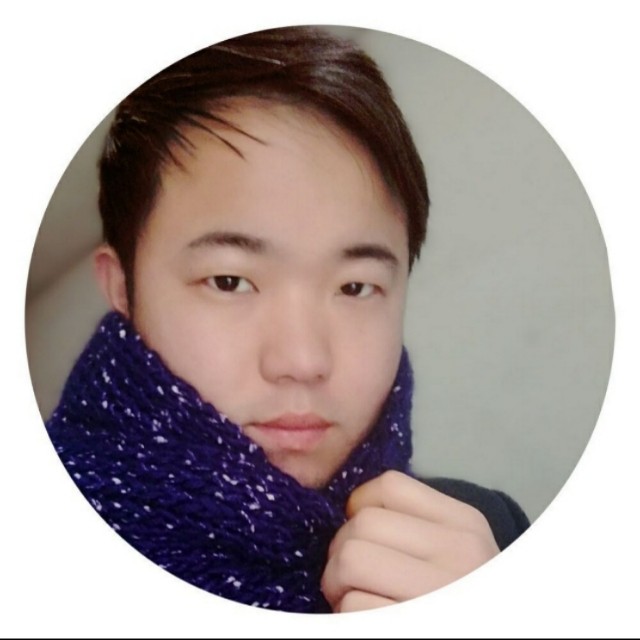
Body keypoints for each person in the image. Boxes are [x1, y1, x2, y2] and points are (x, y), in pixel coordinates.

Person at [45, 26, 529, 614]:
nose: (303, 361)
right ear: (122, 286)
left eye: (355, 287)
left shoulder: (487, 542)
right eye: (230, 281)